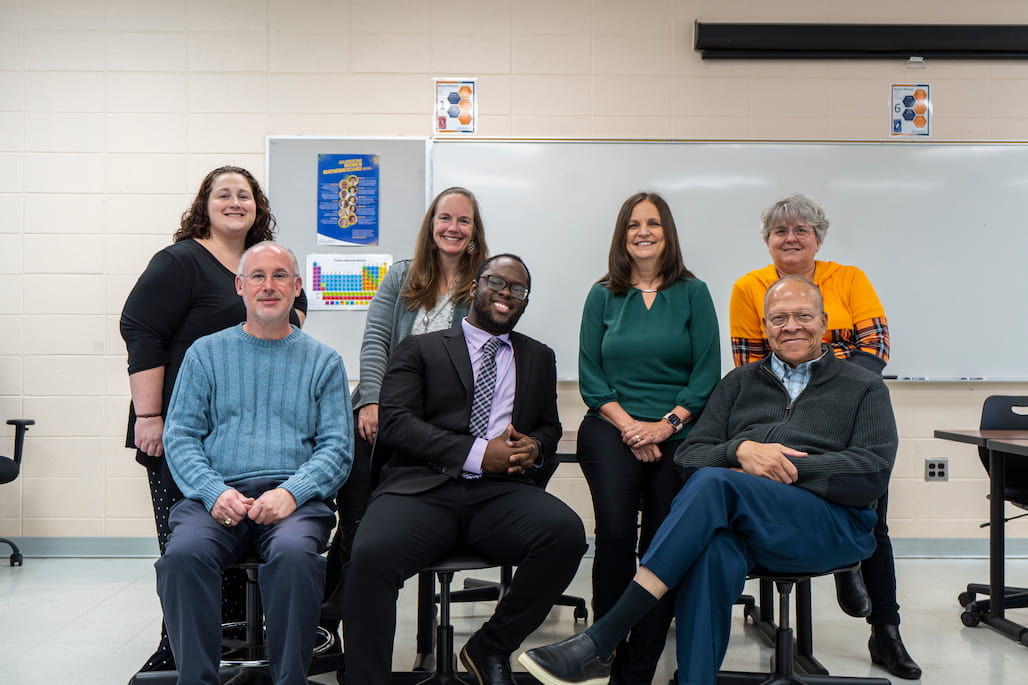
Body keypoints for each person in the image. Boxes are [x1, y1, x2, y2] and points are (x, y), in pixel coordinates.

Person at [519, 276, 897, 685]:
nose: (791, 326)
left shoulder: (864, 386)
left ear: (823, 321)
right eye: (779, 318)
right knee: (713, 550)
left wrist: (774, 466)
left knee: (717, 484)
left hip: (831, 528)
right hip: (752, 528)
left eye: (803, 316)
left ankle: (603, 638)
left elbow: (871, 470)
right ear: (764, 326)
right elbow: (690, 456)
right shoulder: (738, 383)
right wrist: (739, 452)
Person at [342, 254, 587, 685]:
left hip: (499, 494)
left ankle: (489, 646)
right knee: (369, 555)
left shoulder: (538, 357)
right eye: (497, 282)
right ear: (473, 288)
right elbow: (396, 424)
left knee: (567, 534)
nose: (507, 294)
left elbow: (548, 426)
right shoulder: (420, 348)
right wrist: (476, 452)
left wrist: (534, 447)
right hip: (422, 488)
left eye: (518, 289)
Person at [120, 165, 308, 671]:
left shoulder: (266, 262)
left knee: (257, 542)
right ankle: (182, 653)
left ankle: (246, 648)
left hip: (255, 433)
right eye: (222, 194)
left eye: (243, 195)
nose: (234, 202)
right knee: (193, 544)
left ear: (258, 206)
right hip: (183, 430)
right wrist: (150, 414)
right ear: (204, 204)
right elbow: (140, 330)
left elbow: (296, 324)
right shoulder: (180, 261)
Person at [728, 194, 919, 679]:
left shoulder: (849, 279)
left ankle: (887, 632)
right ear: (767, 240)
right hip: (780, 424)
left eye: (802, 230)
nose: (791, 239)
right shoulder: (748, 288)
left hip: (851, 422)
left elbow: (875, 350)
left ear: (819, 237)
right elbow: (750, 365)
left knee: (874, 523)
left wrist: (828, 401)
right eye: (780, 232)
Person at [157, 241, 351, 685]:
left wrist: (291, 493)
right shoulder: (204, 355)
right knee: (181, 558)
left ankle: (289, 680)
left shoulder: (324, 362)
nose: (269, 286)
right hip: (217, 498)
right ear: (240, 286)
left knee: (295, 558)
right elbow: (181, 436)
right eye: (258, 277)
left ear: (297, 287)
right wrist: (213, 492)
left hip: (293, 502)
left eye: (280, 276)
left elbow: (337, 449)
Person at [320, 186, 489, 620]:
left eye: (463, 220)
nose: (453, 227)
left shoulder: (482, 287)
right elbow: (376, 340)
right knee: (355, 516)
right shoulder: (402, 276)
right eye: (444, 218)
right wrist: (372, 401)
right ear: (431, 225)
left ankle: (368, 605)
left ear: (474, 231)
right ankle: (332, 615)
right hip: (384, 413)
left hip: (440, 427)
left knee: (394, 522)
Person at [576, 192, 720, 683]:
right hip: (610, 426)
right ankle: (604, 649)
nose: (643, 231)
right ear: (622, 233)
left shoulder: (693, 293)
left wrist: (664, 425)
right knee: (615, 533)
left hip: (677, 431)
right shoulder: (601, 295)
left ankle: (639, 667)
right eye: (634, 223)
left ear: (667, 232)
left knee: (663, 543)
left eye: (653, 223)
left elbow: (706, 374)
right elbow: (591, 378)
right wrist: (631, 427)